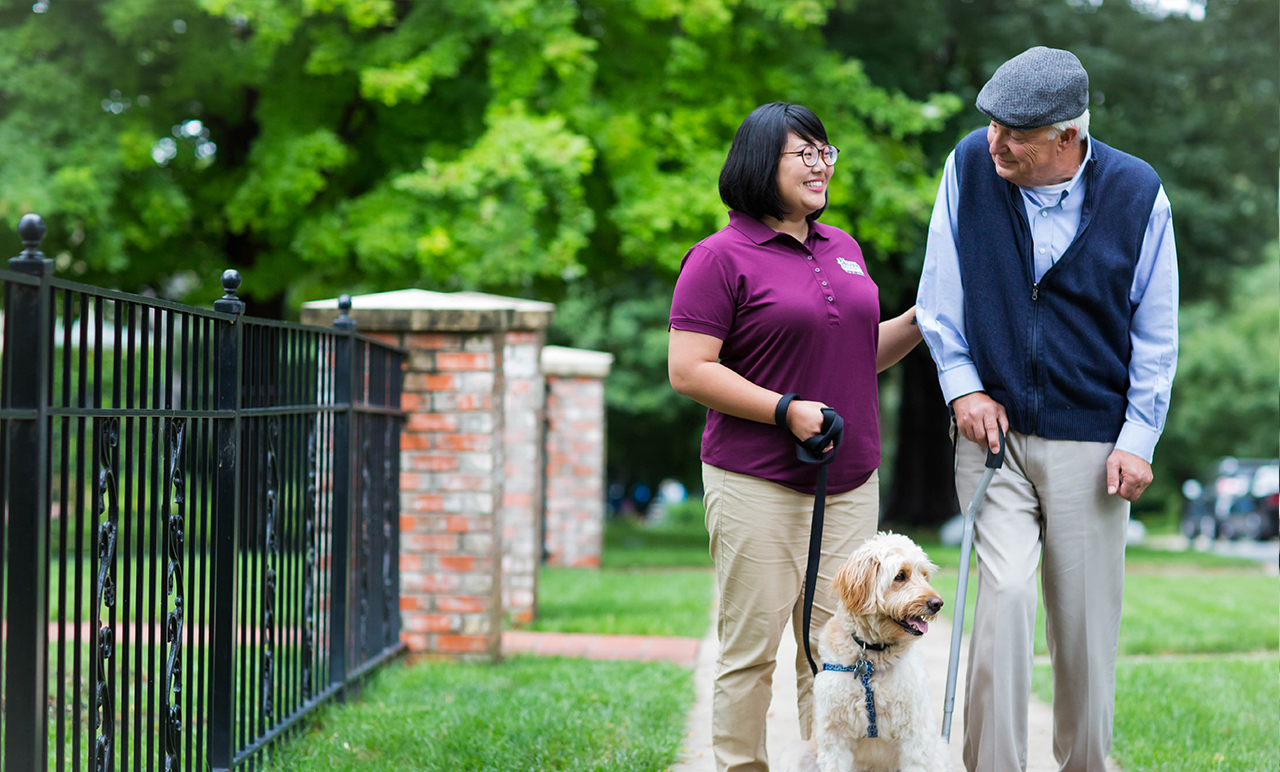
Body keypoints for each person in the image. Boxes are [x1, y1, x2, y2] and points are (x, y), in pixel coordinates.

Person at [916, 47, 1178, 772]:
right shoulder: (969, 166)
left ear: (1068, 136)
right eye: (993, 125)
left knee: (1085, 631)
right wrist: (962, 386)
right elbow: (940, 295)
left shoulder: (1137, 193)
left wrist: (1139, 438)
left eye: (1017, 134)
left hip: (1093, 444)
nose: (996, 143)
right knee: (1000, 603)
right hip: (991, 431)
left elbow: (1157, 334)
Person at [668, 101, 921, 772]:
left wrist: (920, 321)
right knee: (751, 651)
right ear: (759, 164)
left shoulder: (844, 248)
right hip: (756, 481)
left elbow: (854, 354)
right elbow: (689, 370)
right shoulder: (718, 258)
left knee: (839, 647)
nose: (820, 164)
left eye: (824, 152)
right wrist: (784, 409)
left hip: (849, 482)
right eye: (802, 153)